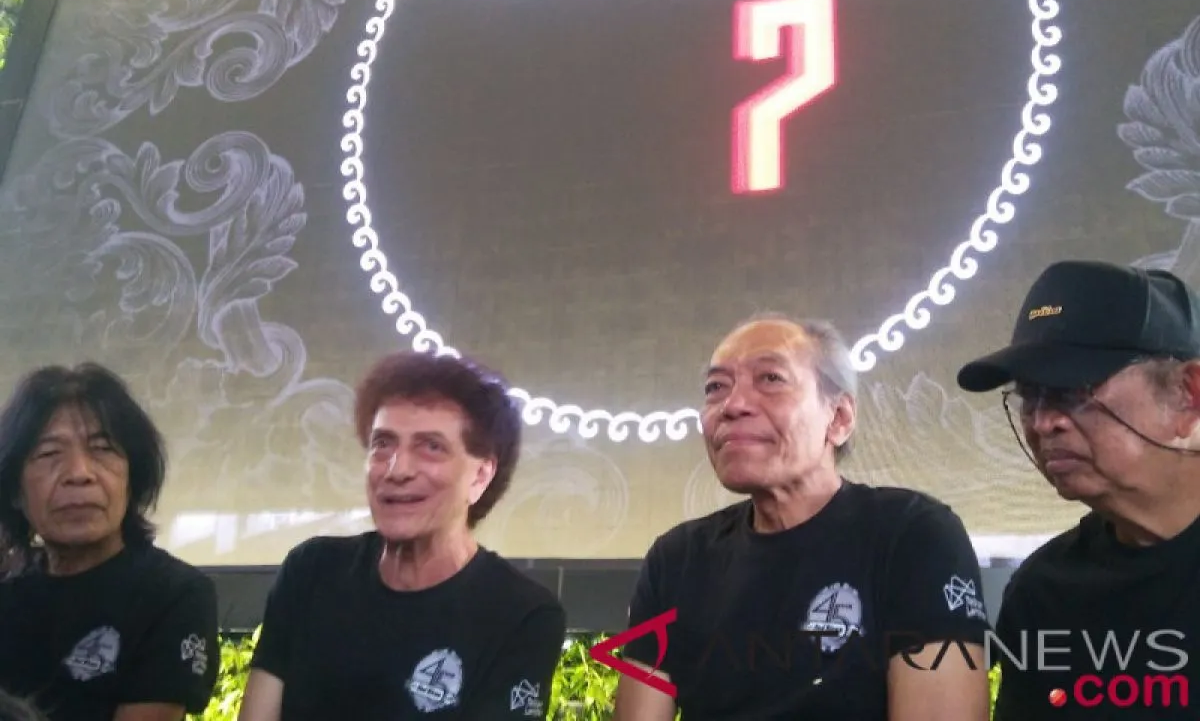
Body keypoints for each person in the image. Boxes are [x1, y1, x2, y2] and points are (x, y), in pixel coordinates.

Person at [612, 315, 991, 721]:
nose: (732, 406)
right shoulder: (675, 560)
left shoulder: (914, 536)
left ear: (839, 418)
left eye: (770, 379)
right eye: (716, 387)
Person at [238, 350, 568, 721]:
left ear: (480, 476)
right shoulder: (313, 570)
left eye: (431, 447)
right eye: (383, 444)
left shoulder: (522, 614)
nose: (397, 470)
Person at [957, 260, 1200, 720]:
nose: (1043, 422)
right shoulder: (1044, 593)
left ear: (1188, 396)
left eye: (1074, 389)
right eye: (1030, 396)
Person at [0, 363, 220, 721]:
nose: (79, 473)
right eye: (49, 454)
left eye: (102, 449)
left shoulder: (172, 593)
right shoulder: (9, 591)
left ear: (133, 478)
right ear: (14, 490)